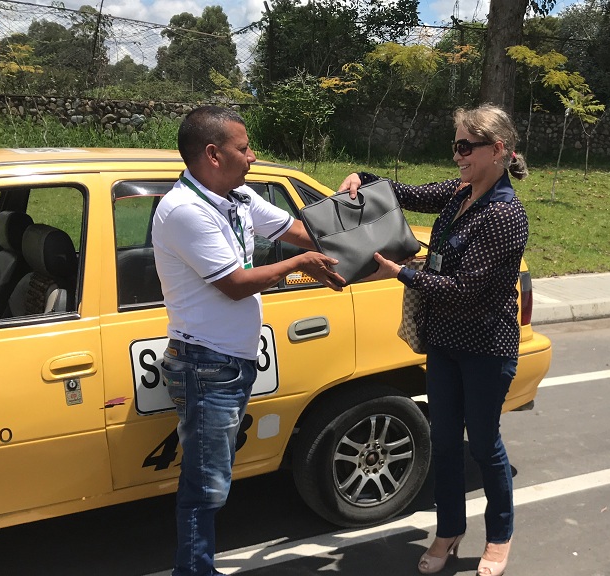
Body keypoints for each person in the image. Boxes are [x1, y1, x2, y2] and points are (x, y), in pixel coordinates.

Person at [337, 104, 528, 576]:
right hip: (444, 341)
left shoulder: (505, 215)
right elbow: (407, 193)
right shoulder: (461, 191)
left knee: (483, 446)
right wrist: (363, 176)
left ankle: (499, 537)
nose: (457, 155)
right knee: (443, 442)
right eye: (455, 145)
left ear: (498, 150)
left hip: (486, 346)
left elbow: (467, 290)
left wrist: (398, 272)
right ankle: (449, 530)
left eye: (466, 146)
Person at [153, 105, 344, 576]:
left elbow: (293, 229)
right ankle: (193, 570)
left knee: (213, 477)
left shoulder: (235, 196)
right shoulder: (186, 211)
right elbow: (234, 283)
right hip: (205, 365)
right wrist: (297, 266)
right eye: (244, 147)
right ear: (214, 154)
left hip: (231, 362)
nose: (253, 156)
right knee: (205, 484)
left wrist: (359, 244)